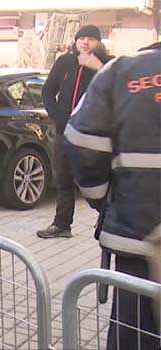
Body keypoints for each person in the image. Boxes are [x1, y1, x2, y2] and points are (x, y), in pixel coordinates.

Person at [61, 41, 160, 349]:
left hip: (138, 242)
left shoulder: (121, 71)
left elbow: (80, 142)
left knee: (134, 338)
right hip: (138, 243)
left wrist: (104, 200)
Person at [36, 24, 112, 239]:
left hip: (94, 137)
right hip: (64, 132)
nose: (85, 42)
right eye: (81, 38)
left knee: (99, 181)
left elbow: (115, 87)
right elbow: (48, 91)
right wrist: (56, 114)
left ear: (98, 42)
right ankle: (62, 225)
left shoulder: (108, 64)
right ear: (76, 41)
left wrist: (97, 66)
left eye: (90, 38)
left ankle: (106, 219)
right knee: (64, 181)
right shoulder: (64, 62)